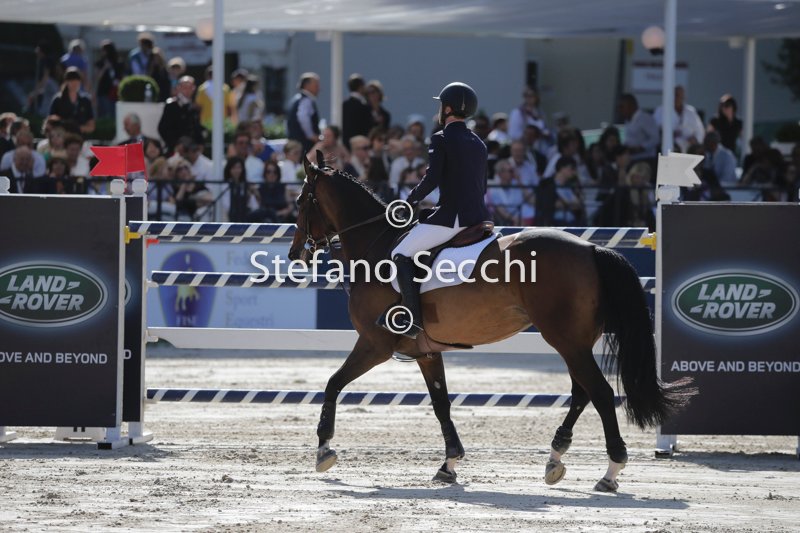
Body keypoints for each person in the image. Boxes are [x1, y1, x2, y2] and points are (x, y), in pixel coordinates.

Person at [380, 82, 490, 338]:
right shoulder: (479, 143)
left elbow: (432, 179)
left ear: (448, 109)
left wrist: (409, 201)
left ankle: (412, 321)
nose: (439, 110)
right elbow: (482, 186)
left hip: (453, 218)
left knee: (400, 253)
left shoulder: (441, 138)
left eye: (441, 105)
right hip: (479, 216)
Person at [158, 76, 204, 153]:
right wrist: (175, 145)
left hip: (192, 150)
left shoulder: (195, 107)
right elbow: (163, 128)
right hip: (175, 150)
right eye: (184, 87)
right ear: (178, 88)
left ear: (194, 88)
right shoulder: (171, 105)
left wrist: (200, 143)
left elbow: (197, 128)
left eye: (190, 87)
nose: (187, 90)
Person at [654, 86, 704, 153]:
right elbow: (654, 130)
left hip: (689, 148)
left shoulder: (691, 111)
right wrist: (668, 134)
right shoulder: (661, 110)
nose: (676, 98)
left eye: (679, 96)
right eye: (675, 95)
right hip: (669, 147)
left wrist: (695, 139)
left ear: (684, 97)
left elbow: (700, 130)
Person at [49, 67, 95, 135]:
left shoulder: (85, 101)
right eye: (71, 80)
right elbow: (50, 122)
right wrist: (63, 125)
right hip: (62, 137)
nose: (74, 83)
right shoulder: (58, 100)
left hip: (79, 138)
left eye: (77, 80)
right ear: (66, 81)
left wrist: (78, 128)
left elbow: (91, 126)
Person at [618, 93, 658, 164]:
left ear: (632, 106)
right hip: (631, 160)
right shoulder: (627, 120)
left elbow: (655, 139)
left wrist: (641, 148)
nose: (620, 110)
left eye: (622, 107)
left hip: (646, 160)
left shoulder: (645, 118)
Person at [287, 72, 321, 154]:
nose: (319, 88)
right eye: (316, 85)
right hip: (304, 144)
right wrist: (311, 136)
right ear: (307, 85)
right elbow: (303, 117)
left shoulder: (296, 99)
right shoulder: (306, 100)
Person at [94, 40, 124, 118]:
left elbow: (122, 77)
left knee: (114, 115)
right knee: (103, 115)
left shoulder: (118, 63)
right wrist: (105, 67)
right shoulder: (100, 63)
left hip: (115, 93)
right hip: (103, 93)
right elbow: (97, 78)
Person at [342, 74, 373, 149]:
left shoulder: (343, 104)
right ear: (360, 87)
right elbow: (368, 126)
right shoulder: (364, 106)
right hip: (360, 145)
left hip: (345, 143)